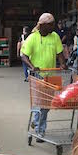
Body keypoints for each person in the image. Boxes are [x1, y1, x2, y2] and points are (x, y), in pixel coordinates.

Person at [20, 13, 66, 142]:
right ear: (44, 25)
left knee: (46, 106)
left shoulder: (55, 37)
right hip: (37, 76)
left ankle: (36, 121)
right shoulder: (32, 38)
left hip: (51, 76)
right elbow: (23, 55)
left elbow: (60, 53)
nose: (54, 26)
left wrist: (63, 64)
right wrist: (32, 66)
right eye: (51, 24)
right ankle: (40, 131)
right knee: (40, 104)